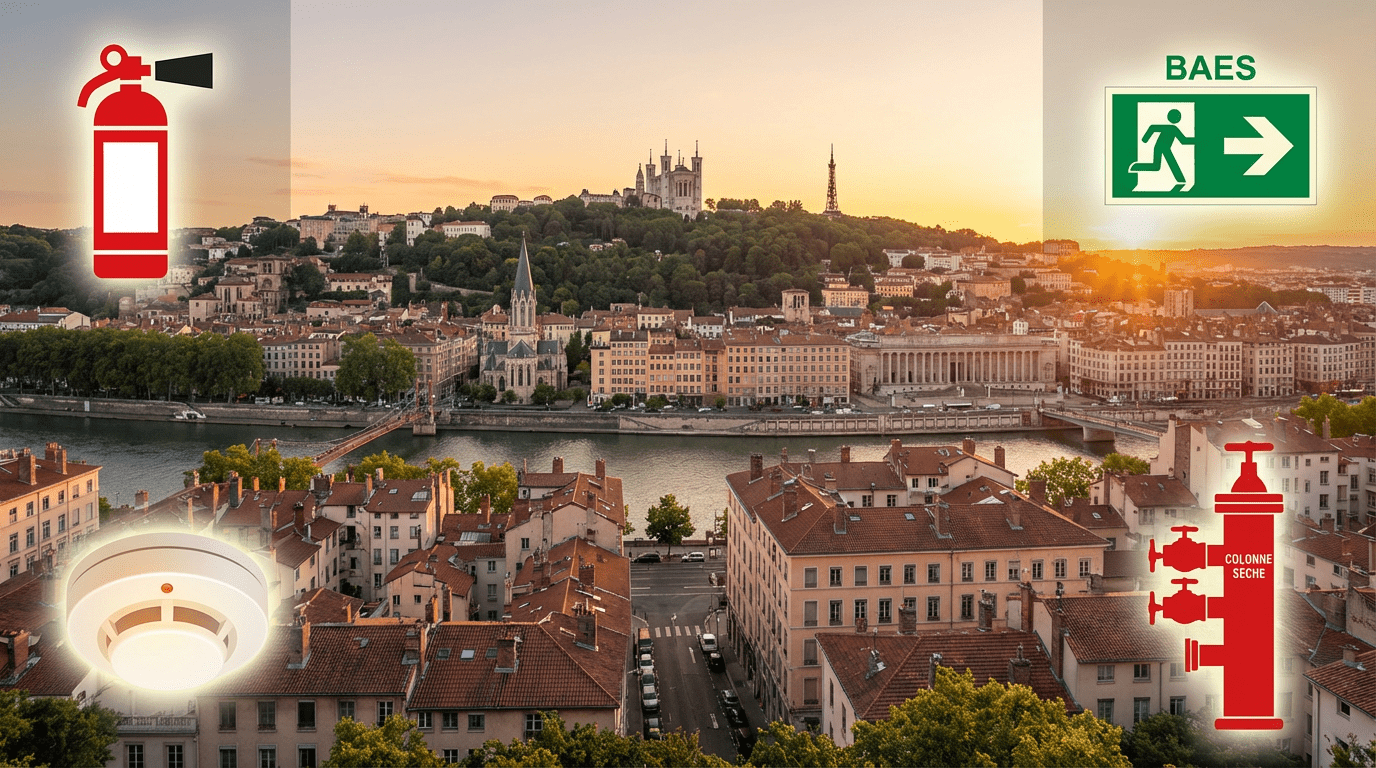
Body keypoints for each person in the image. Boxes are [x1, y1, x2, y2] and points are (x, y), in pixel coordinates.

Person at [1130, 108, 1194, 185]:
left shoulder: (1173, 128)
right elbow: (1152, 127)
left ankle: (1135, 167)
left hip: (1163, 148)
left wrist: (1196, 141)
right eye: (1177, 116)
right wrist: (1145, 139)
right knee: (1166, 164)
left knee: (1156, 166)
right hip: (1161, 147)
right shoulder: (1172, 128)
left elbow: (1183, 140)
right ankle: (1181, 180)